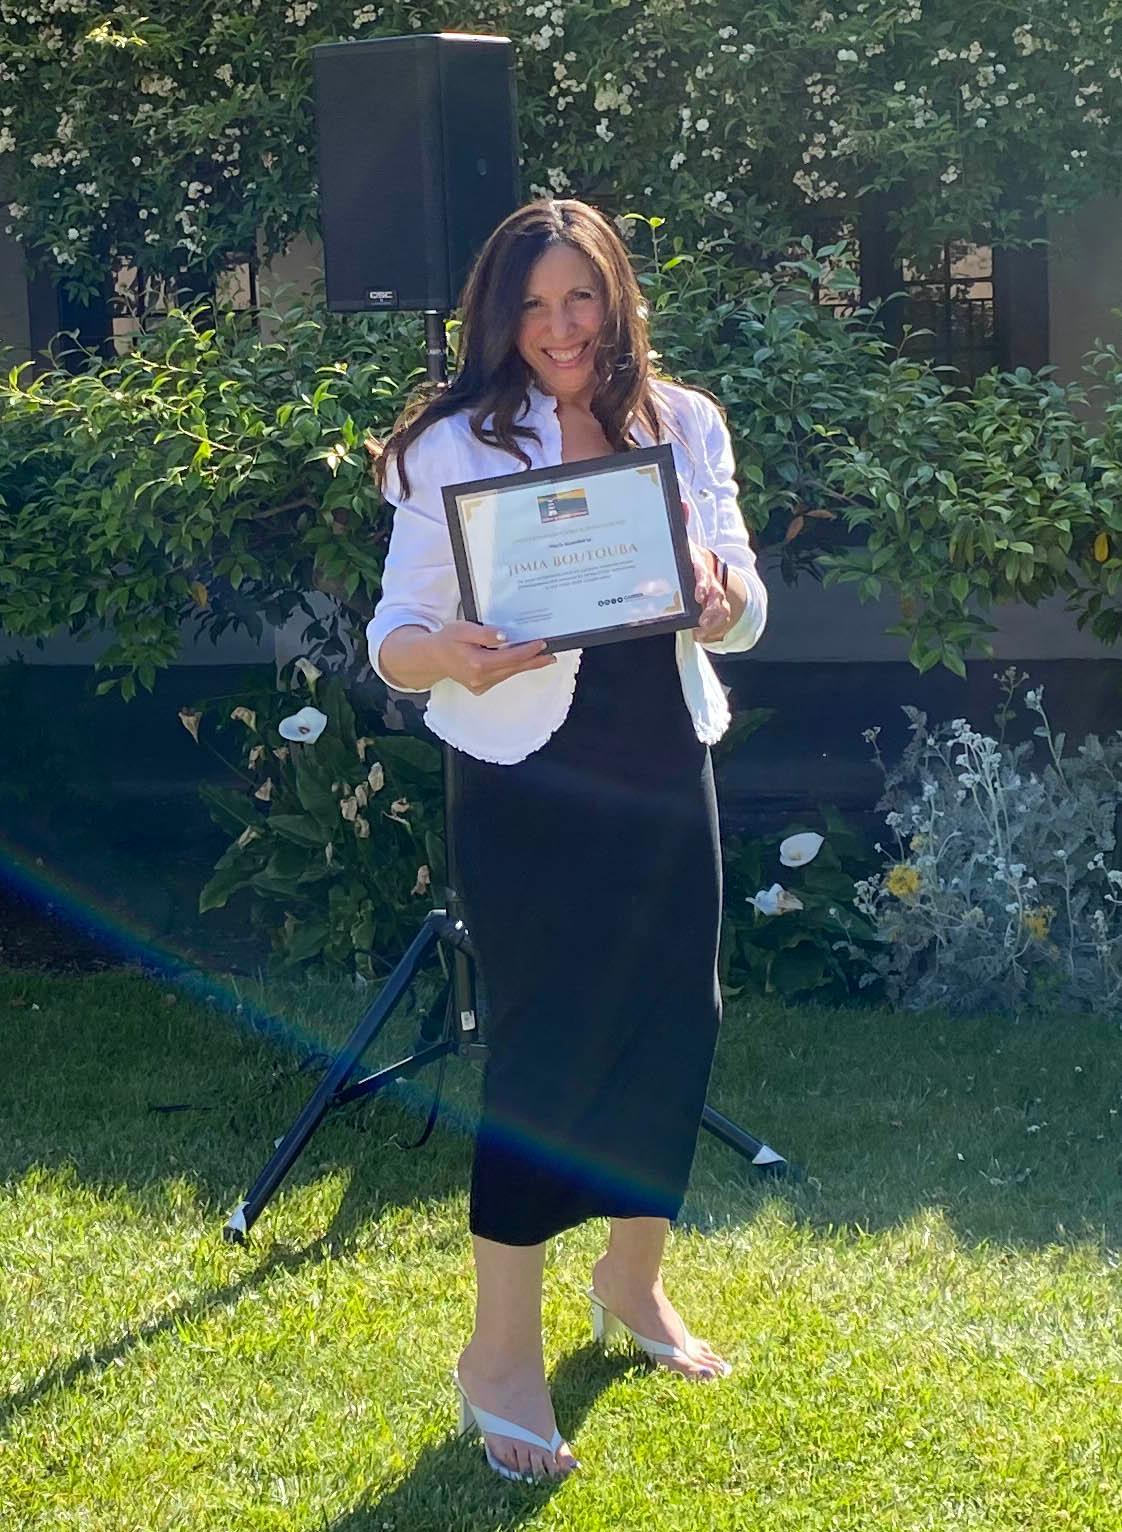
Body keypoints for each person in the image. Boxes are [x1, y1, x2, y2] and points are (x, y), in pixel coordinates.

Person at [366, 198, 768, 1484]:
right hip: (525, 773)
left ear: (617, 297)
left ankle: (632, 1282)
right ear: (500, 315)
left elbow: (743, 590)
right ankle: (498, 1353)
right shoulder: (447, 443)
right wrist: (450, 655)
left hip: (662, 756)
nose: (560, 327)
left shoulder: (685, 421)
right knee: (544, 1048)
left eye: (580, 296)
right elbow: (394, 634)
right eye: (533, 304)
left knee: (676, 1017)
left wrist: (722, 598)